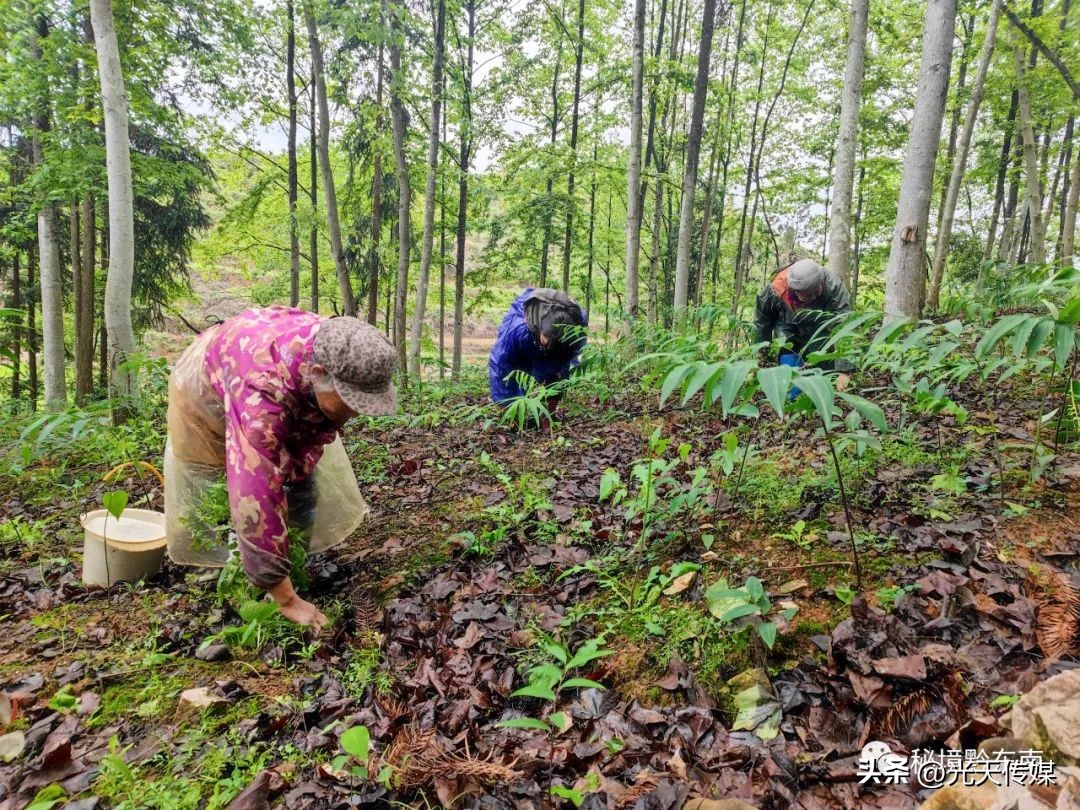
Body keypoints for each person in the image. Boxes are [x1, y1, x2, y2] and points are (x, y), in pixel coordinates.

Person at [163, 307, 397, 630]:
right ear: (319, 374)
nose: (356, 412)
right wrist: (286, 600)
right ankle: (228, 576)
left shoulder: (340, 345)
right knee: (219, 484)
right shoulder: (262, 398)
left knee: (299, 482)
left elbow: (300, 450)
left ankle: (291, 562)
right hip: (203, 386)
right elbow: (254, 494)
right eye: (351, 400)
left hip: (262, 364)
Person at [753, 258, 853, 388]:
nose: (815, 296)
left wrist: (844, 370)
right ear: (794, 290)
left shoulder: (833, 286)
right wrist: (760, 354)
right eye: (809, 294)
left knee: (822, 362)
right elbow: (761, 322)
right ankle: (792, 393)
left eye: (817, 290)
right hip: (787, 324)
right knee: (789, 367)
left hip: (819, 324)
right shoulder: (775, 290)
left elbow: (843, 324)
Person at [488, 288, 588, 410]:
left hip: (559, 344)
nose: (550, 342)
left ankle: (548, 414)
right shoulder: (517, 330)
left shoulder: (575, 326)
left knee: (554, 373)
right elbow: (500, 366)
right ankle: (515, 410)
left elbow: (567, 359)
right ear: (540, 329)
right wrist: (504, 405)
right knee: (517, 373)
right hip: (526, 339)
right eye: (547, 337)